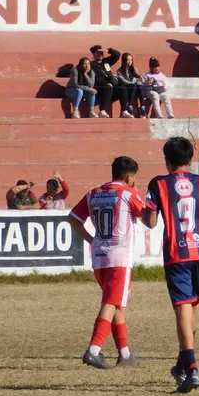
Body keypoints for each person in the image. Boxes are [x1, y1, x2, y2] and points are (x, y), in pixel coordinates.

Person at [140, 137, 199, 394]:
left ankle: (192, 368)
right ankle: (181, 365)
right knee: (191, 308)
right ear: (190, 159)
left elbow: (151, 221)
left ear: (167, 160)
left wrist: (141, 210)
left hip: (176, 254)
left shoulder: (158, 183)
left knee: (182, 309)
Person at [66, 156, 143, 369]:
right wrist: (136, 192)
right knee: (111, 303)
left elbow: (73, 217)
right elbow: (146, 216)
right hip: (119, 256)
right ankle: (94, 350)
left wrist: (91, 238)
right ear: (129, 177)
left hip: (99, 256)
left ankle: (124, 353)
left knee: (116, 303)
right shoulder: (128, 193)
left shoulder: (94, 193)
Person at [90, 45, 120, 118]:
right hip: (99, 86)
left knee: (123, 87)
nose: (100, 55)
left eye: (101, 53)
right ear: (93, 54)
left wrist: (108, 50)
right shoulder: (91, 64)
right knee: (108, 87)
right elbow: (96, 78)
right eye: (98, 53)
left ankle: (125, 111)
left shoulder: (106, 62)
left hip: (111, 84)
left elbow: (117, 55)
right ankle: (102, 110)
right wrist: (107, 82)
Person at [115, 52, 141, 119]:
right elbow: (122, 80)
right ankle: (129, 107)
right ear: (124, 61)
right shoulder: (120, 70)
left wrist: (138, 80)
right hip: (126, 87)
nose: (130, 62)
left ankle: (134, 106)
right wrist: (132, 82)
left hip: (133, 88)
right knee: (132, 85)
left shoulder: (134, 69)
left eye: (131, 60)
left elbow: (139, 78)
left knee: (138, 86)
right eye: (128, 60)